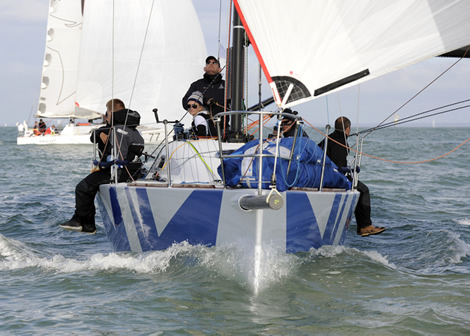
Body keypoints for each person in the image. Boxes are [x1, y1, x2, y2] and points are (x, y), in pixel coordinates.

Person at [59, 99, 145, 234]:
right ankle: (81, 221)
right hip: (132, 172)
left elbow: (97, 140)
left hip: (116, 172)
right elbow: (94, 137)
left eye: (107, 113)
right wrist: (100, 133)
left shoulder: (115, 129)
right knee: (90, 186)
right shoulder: (134, 130)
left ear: (109, 113)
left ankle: (86, 224)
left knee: (82, 188)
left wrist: (101, 133)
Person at [319, 116, 385, 237]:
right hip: (333, 177)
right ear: (348, 129)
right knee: (363, 190)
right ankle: (365, 226)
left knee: (358, 187)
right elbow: (338, 165)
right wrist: (349, 170)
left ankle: (362, 225)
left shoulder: (328, 138)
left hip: (323, 175)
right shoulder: (341, 141)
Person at [182, 56, 229, 129]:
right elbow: (185, 101)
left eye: (214, 62)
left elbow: (236, 103)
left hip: (223, 128)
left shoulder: (227, 85)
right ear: (204, 68)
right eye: (208, 62)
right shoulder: (197, 85)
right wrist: (203, 101)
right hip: (202, 127)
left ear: (220, 69)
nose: (211, 64)